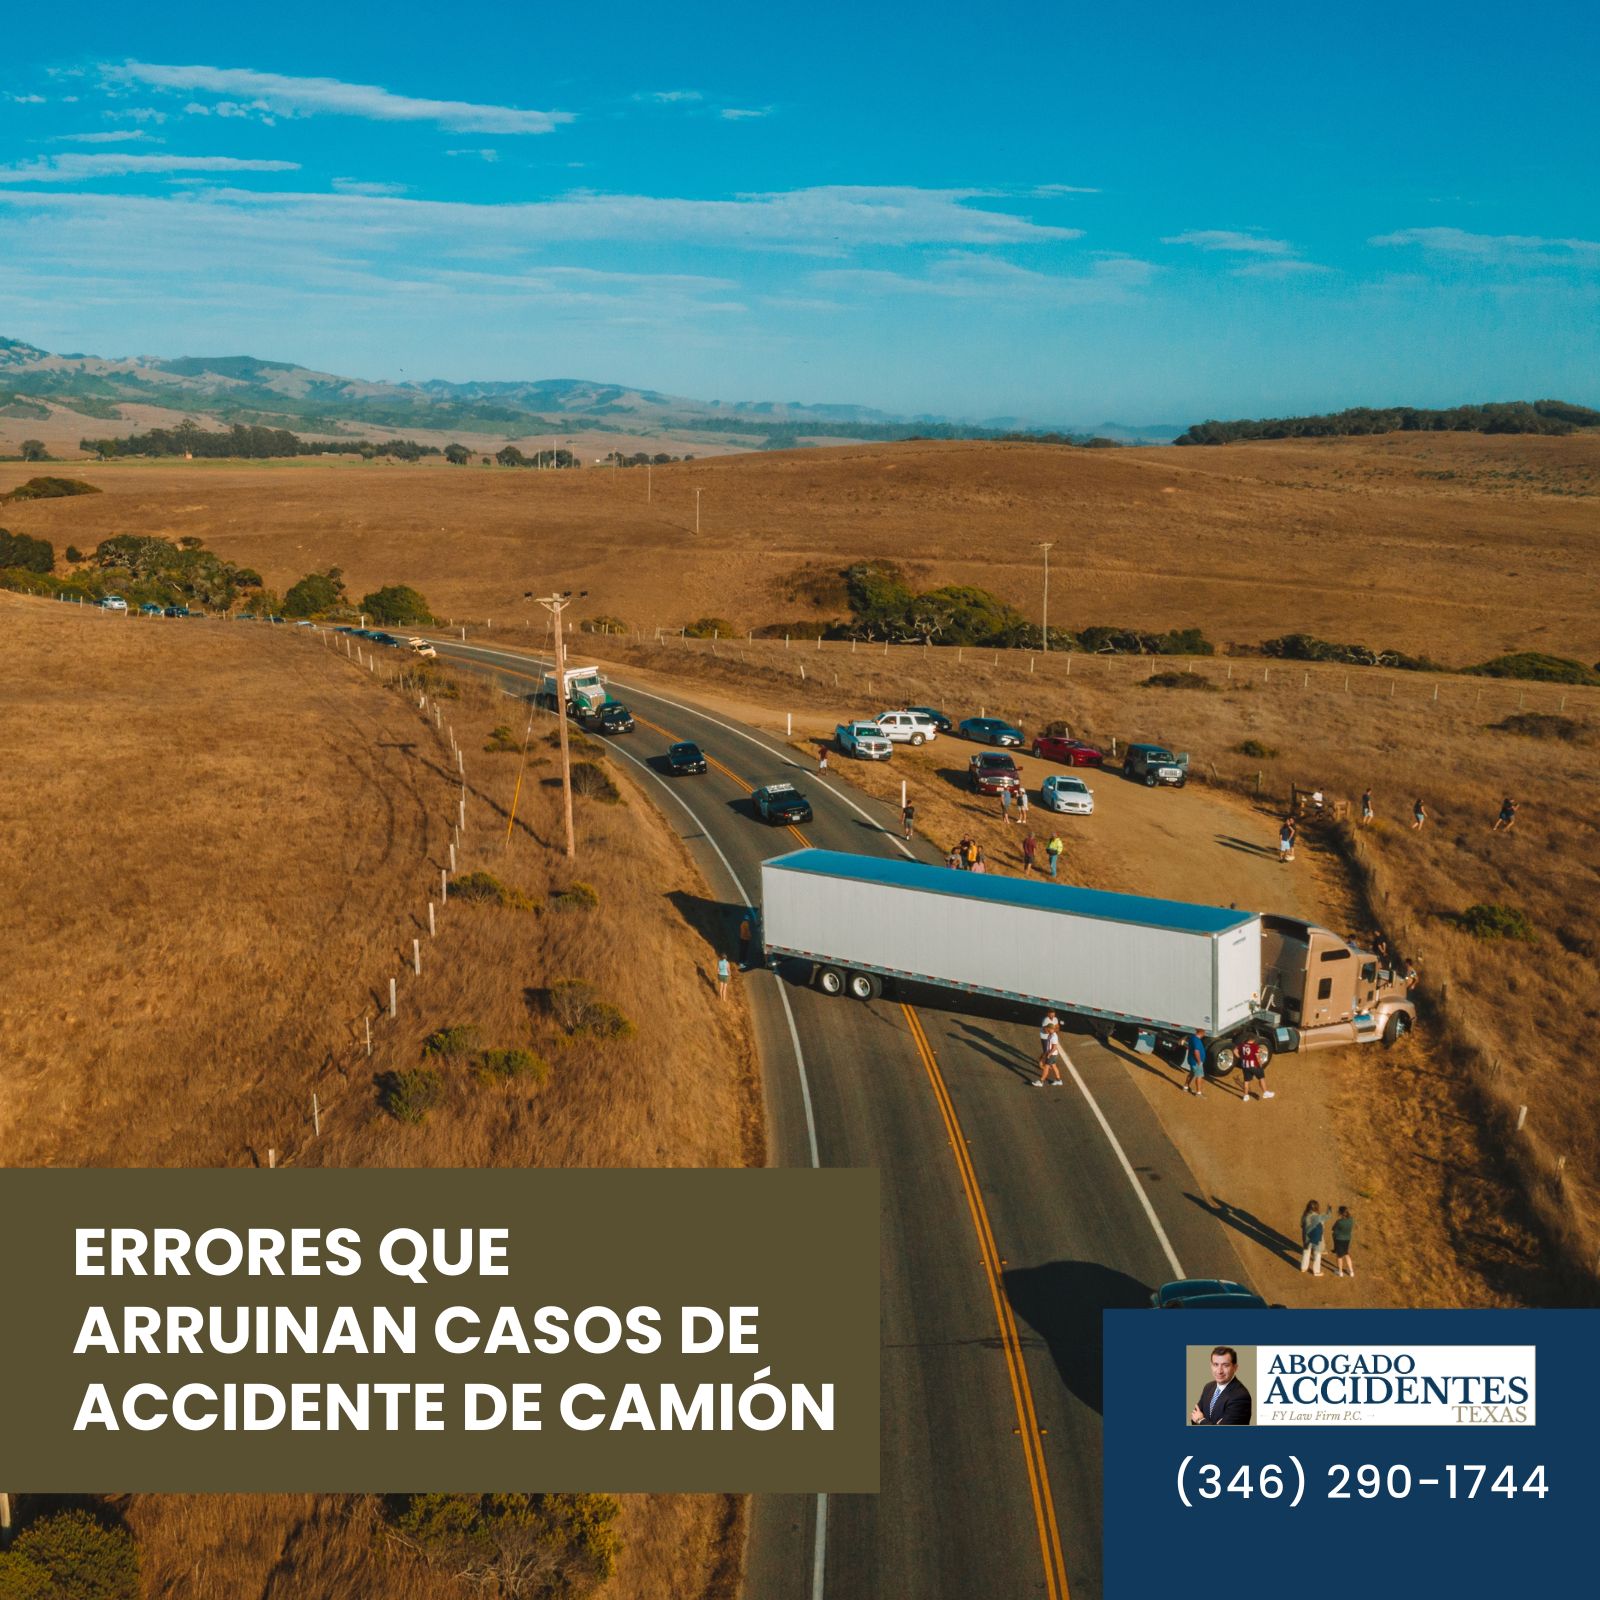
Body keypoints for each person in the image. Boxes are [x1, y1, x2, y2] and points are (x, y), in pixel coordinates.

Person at [1189, 1346, 1252, 1426]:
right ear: (1211, 1366)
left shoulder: (1241, 1396)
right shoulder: (1208, 1387)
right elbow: (1194, 1418)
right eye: (1215, 1364)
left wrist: (1201, 1420)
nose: (1219, 1371)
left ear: (1235, 1368)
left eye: (1225, 1365)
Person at [1300, 1200, 1334, 1276]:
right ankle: (1316, 1271)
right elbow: (1328, 1216)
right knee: (1317, 1254)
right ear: (1316, 1208)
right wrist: (1329, 1208)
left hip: (1306, 1238)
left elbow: (1301, 1225)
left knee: (1306, 1252)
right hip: (1316, 1238)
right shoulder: (1318, 1217)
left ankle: (1303, 1268)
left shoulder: (1305, 1216)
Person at [1238, 1035, 1273, 1101]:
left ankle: (1246, 1096)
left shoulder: (1242, 1045)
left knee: (1246, 1081)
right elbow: (1257, 1057)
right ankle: (1265, 1093)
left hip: (1245, 1066)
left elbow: (1235, 1051)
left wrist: (1241, 1058)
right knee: (1261, 1078)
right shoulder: (1254, 1046)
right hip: (1255, 1066)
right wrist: (1260, 1064)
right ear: (1253, 1040)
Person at [1034, 1019, 1067, 1088]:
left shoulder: (1053, 1037)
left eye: (1048, 1028)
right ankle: (1058, 1080)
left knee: (1046, 1067)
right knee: (1054, 1066)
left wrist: (1049, 1054)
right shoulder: (1051, 1035)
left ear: (1051, 1029)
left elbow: (1054, 1047)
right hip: (1053, 1054)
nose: (1046, 1029)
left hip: (1052, 1055)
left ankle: (1041, 1081)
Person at [1332, 1206, 1356, 1278]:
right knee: (1346, 1254)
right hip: (1347, 1239)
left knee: (1339, 1256)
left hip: (1339, 1240)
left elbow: (1333, 1229)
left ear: (1340, 1213)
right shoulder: (1351, 1220)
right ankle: (1351, 1271)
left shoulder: (1339, 1222)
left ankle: (1340, 1272)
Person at [1184, 1031, 1206, 1097]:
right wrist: (1199, 1061)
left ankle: (1185, 1087)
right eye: (1204, 1032)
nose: (1204, 1034)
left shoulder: (1192, 1037)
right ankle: (1198, 1093)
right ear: (1201, 1033)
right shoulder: (1197, 1041)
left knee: (1192, 1073)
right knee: (1199, 1076)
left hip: (1192, 1060)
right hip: (1196, 1061)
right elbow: (1196, 1051)